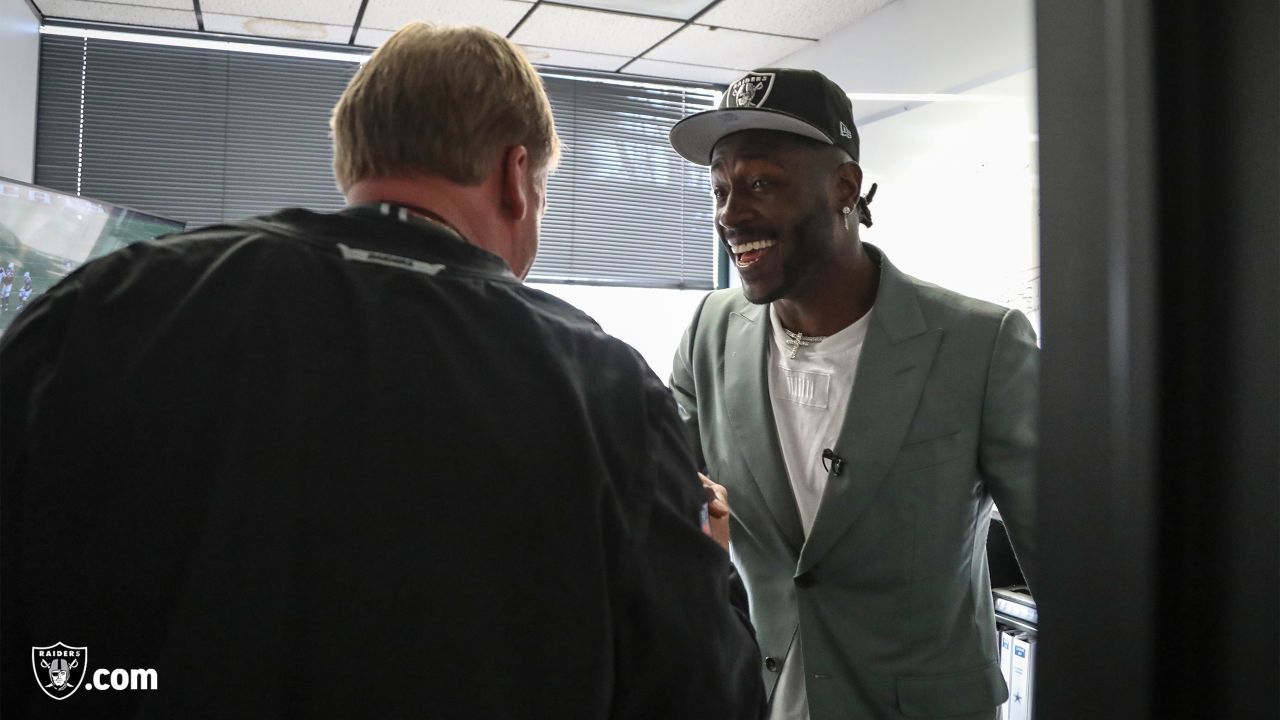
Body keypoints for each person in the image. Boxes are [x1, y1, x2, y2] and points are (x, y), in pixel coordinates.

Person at [0, 23, 763, 720]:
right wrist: (709, 561)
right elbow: (705, 697)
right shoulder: (607, 392)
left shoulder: (105, 306)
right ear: (514, 173)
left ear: (355, 157)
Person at [668, 68, 1037, 720]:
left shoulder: (980, 345)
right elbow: (660, 492)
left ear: (843, 188)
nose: (730, 213)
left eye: (760, 183)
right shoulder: (711, 331)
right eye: (720, 188)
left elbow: (1081, 566)